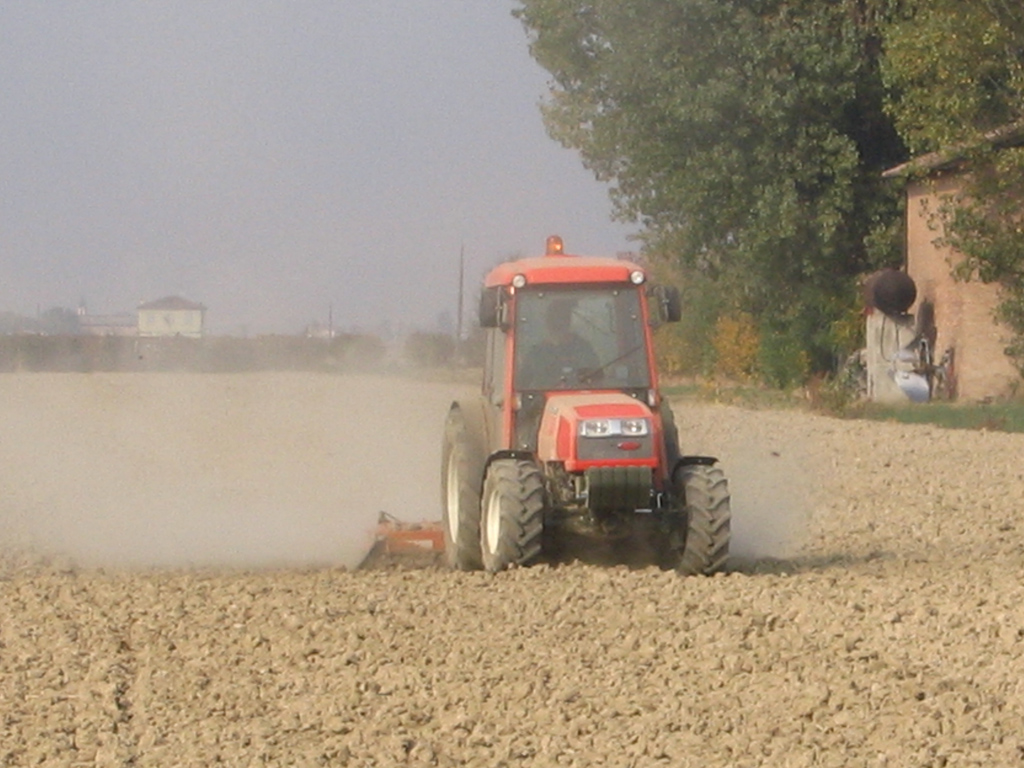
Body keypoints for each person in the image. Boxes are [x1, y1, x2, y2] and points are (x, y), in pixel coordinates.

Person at [518, 299, 601, 389]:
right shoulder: (535, 354)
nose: (558, 322)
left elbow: (597, 382)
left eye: (562, 318)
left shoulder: (583, 350)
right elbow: (521, 385)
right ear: (548, 322)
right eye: (554, 318)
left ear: (568, 321)